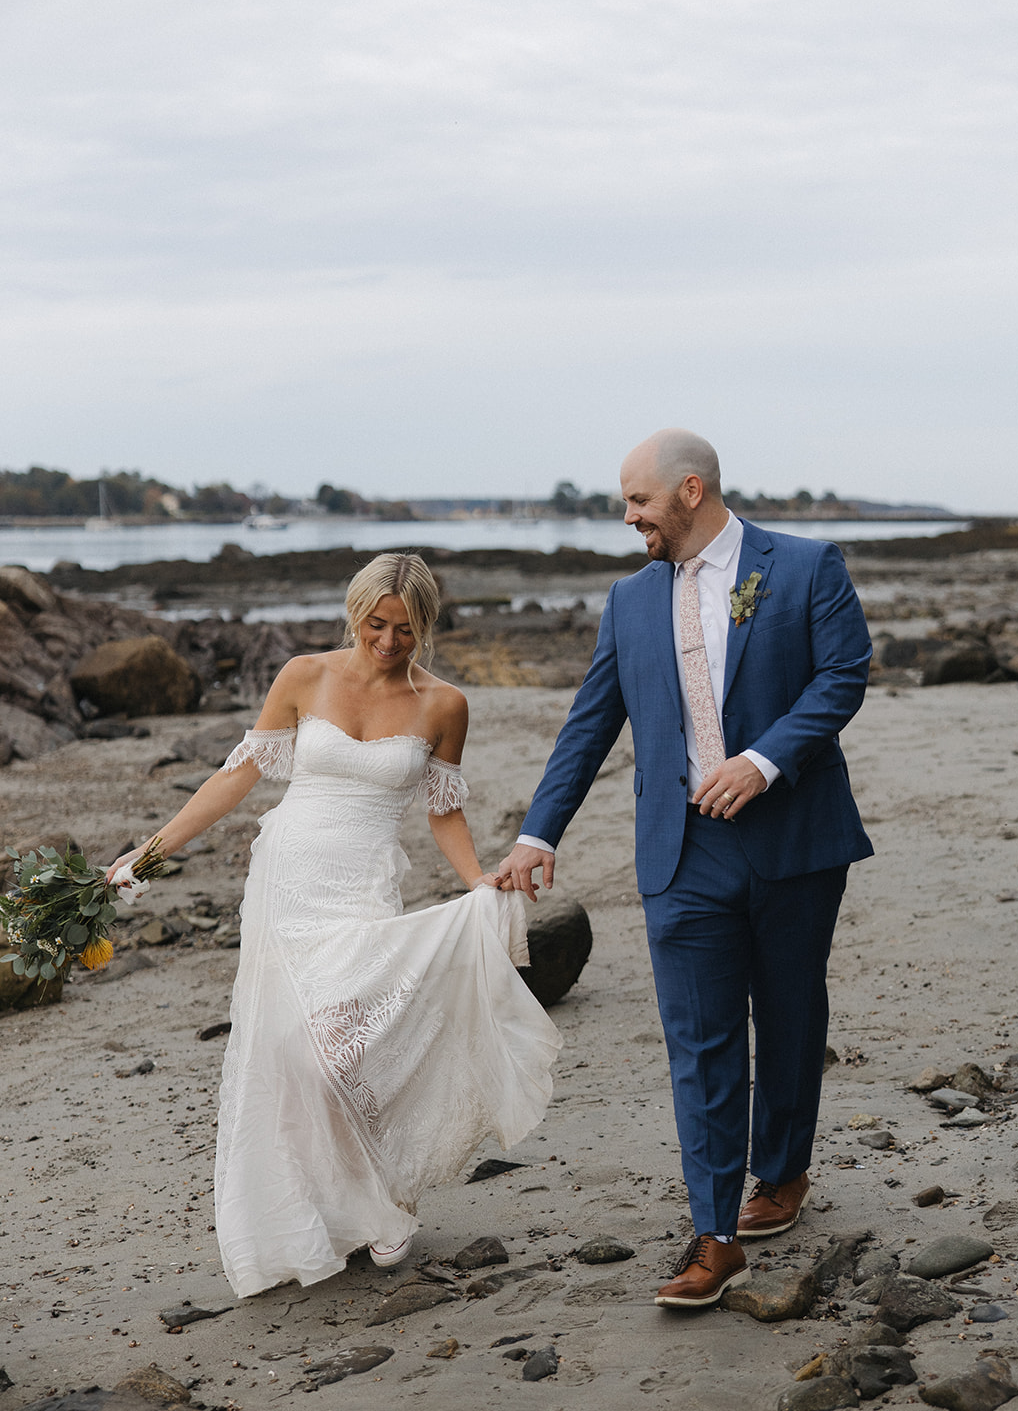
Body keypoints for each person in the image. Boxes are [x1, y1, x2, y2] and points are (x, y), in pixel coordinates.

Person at [109, 552, 561, 1298]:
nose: (388, 641)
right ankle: (336, 1210)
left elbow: (441, 811)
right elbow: (237, 776)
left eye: (406, 631)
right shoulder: (302, 675)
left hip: (361, 887)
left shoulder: (443, 704)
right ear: (355, 613)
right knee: (289, 1054)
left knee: (340, 1053)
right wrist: (149, 854)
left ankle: (384, 1197)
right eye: (376, 624)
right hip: (286, 879)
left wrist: (476, 880)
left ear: (426, 630)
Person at [496, 430, 873, 1309]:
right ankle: (713, 1236)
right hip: (680, 852)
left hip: (793, 841)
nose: (629, 519)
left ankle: (781, 1173)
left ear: (690, 491)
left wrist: (762, 761)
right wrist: (536, 835)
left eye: (637, 502)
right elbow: (589, 724)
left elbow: (842, 677)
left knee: (787, 1013)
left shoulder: (807, 567)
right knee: (697, 1040)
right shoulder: (628, 601)